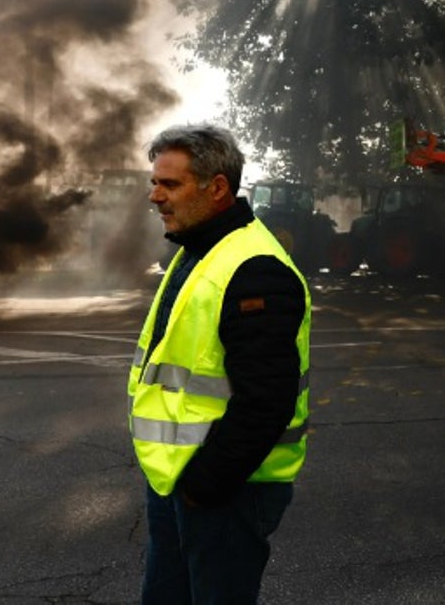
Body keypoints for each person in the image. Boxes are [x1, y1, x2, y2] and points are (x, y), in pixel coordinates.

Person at [128, 123, 311, 605]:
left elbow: (267, 400)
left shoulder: (255, 268)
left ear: (218, 189)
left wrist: (205, 486)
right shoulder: (199, 250)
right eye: (154, 182)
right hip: (181, 480)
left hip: (226, 490)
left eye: (170, 184)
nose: (154, 196)